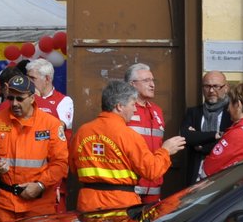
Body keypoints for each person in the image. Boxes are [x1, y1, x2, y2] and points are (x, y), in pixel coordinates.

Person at [72, 79, 186, 213]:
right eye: (132, 104)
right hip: (120, 205)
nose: (135, 109)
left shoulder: (82, 132)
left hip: (88, 203)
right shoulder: (129, 136)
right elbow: (152, 171)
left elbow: (74, 168)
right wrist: (166, 151)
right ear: (119, 106)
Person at [0, 70, 68, 222]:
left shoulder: (51, 124)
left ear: (32, 98)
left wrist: (40, 185)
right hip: (4, 203)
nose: (14, 103)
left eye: (20, 98)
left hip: (39, 203)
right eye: (10, 98)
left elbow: (60, 163)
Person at [200, 80, 243, 178]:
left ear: (238, 105)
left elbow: (207, 170)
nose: (228, 109)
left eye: (230, 104)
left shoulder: (238, 134)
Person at [123, 63, 167, 203]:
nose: (152, 85)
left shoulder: (157, 111)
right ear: (132, 84)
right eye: (146, 80)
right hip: (130, 186)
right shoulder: (123, 109)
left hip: (154, 185)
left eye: (152, 80)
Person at [179, 72, 233, 181]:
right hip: (196, 175)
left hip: (224, 174)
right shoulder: (193, 112)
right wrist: (216, 135)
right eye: (207, 86)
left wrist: (200, 144)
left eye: (216, 86)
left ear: (226, 88)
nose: (211, 91)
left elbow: (230, 141)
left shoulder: (231, 113)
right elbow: (185, 136)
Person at [27, 57, 73, 129]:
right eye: (28, 78)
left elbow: (59, 127)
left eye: (33, 78)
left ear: (47, 79)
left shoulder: (64, 101)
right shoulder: (25, 97)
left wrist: (38, 100)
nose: (29, 82)